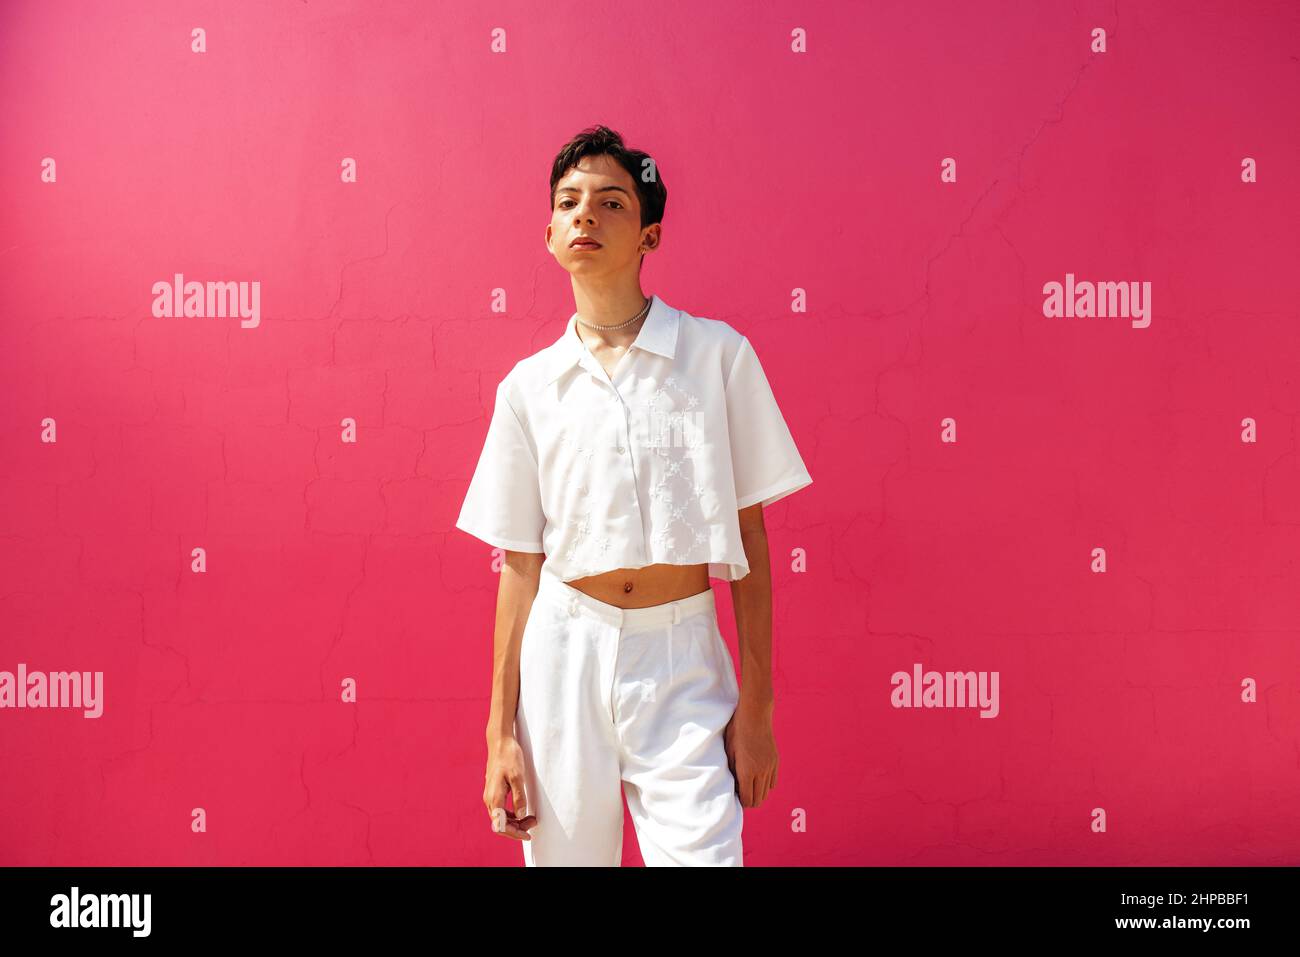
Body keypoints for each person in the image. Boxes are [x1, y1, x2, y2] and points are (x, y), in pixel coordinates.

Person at [455, 125, 813, 866]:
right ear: (549, 233)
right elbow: (519, 567)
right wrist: (500, 732)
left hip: (681, 653)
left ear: (649, 234)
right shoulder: (528, 389)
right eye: (569, 201)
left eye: (611, 202)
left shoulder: (716, 356)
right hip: (563, 653)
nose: (585, 215)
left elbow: (750, 539)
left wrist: (758, 708)